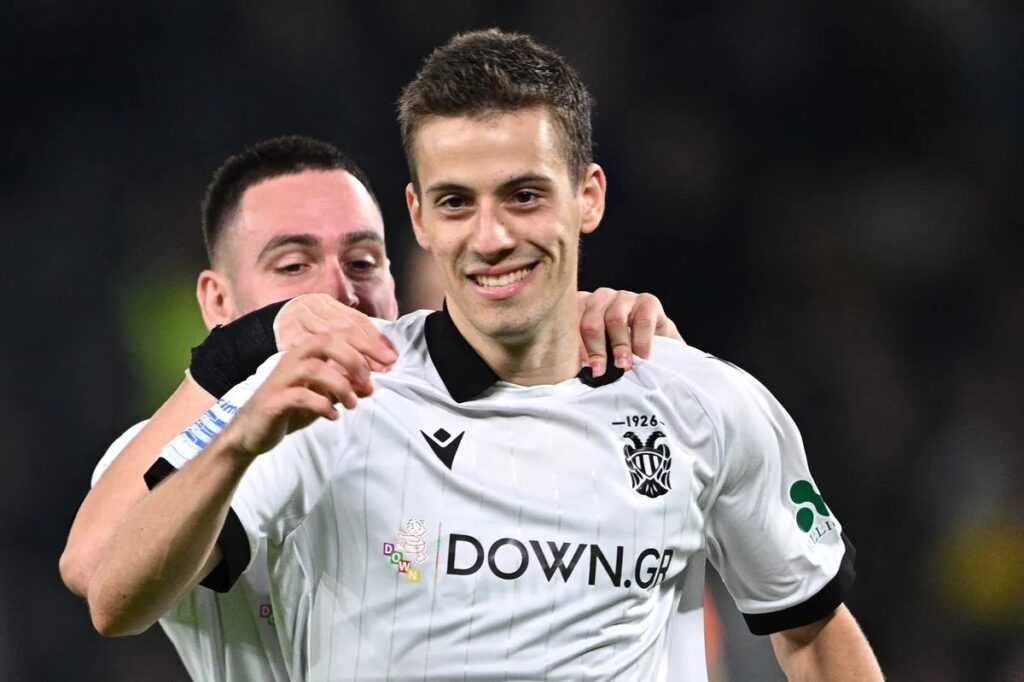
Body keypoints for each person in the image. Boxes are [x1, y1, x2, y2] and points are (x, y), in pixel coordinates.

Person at [87, 30, 883, 680]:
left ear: (589, 196)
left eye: (523, 195)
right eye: (456, 203)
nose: (491, 236)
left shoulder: (704, 404)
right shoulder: (328, 394)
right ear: (418, 217)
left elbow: (812, 632)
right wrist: (239, 440)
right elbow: (114, 599)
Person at [61, 135, 683, 680]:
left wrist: (633, 359)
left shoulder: (469, 429)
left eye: (363, 263)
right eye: (293, 266)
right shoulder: (173, 458)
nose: (337, 291)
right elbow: (94, 569)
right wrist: (249, 350)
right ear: (219, 303)